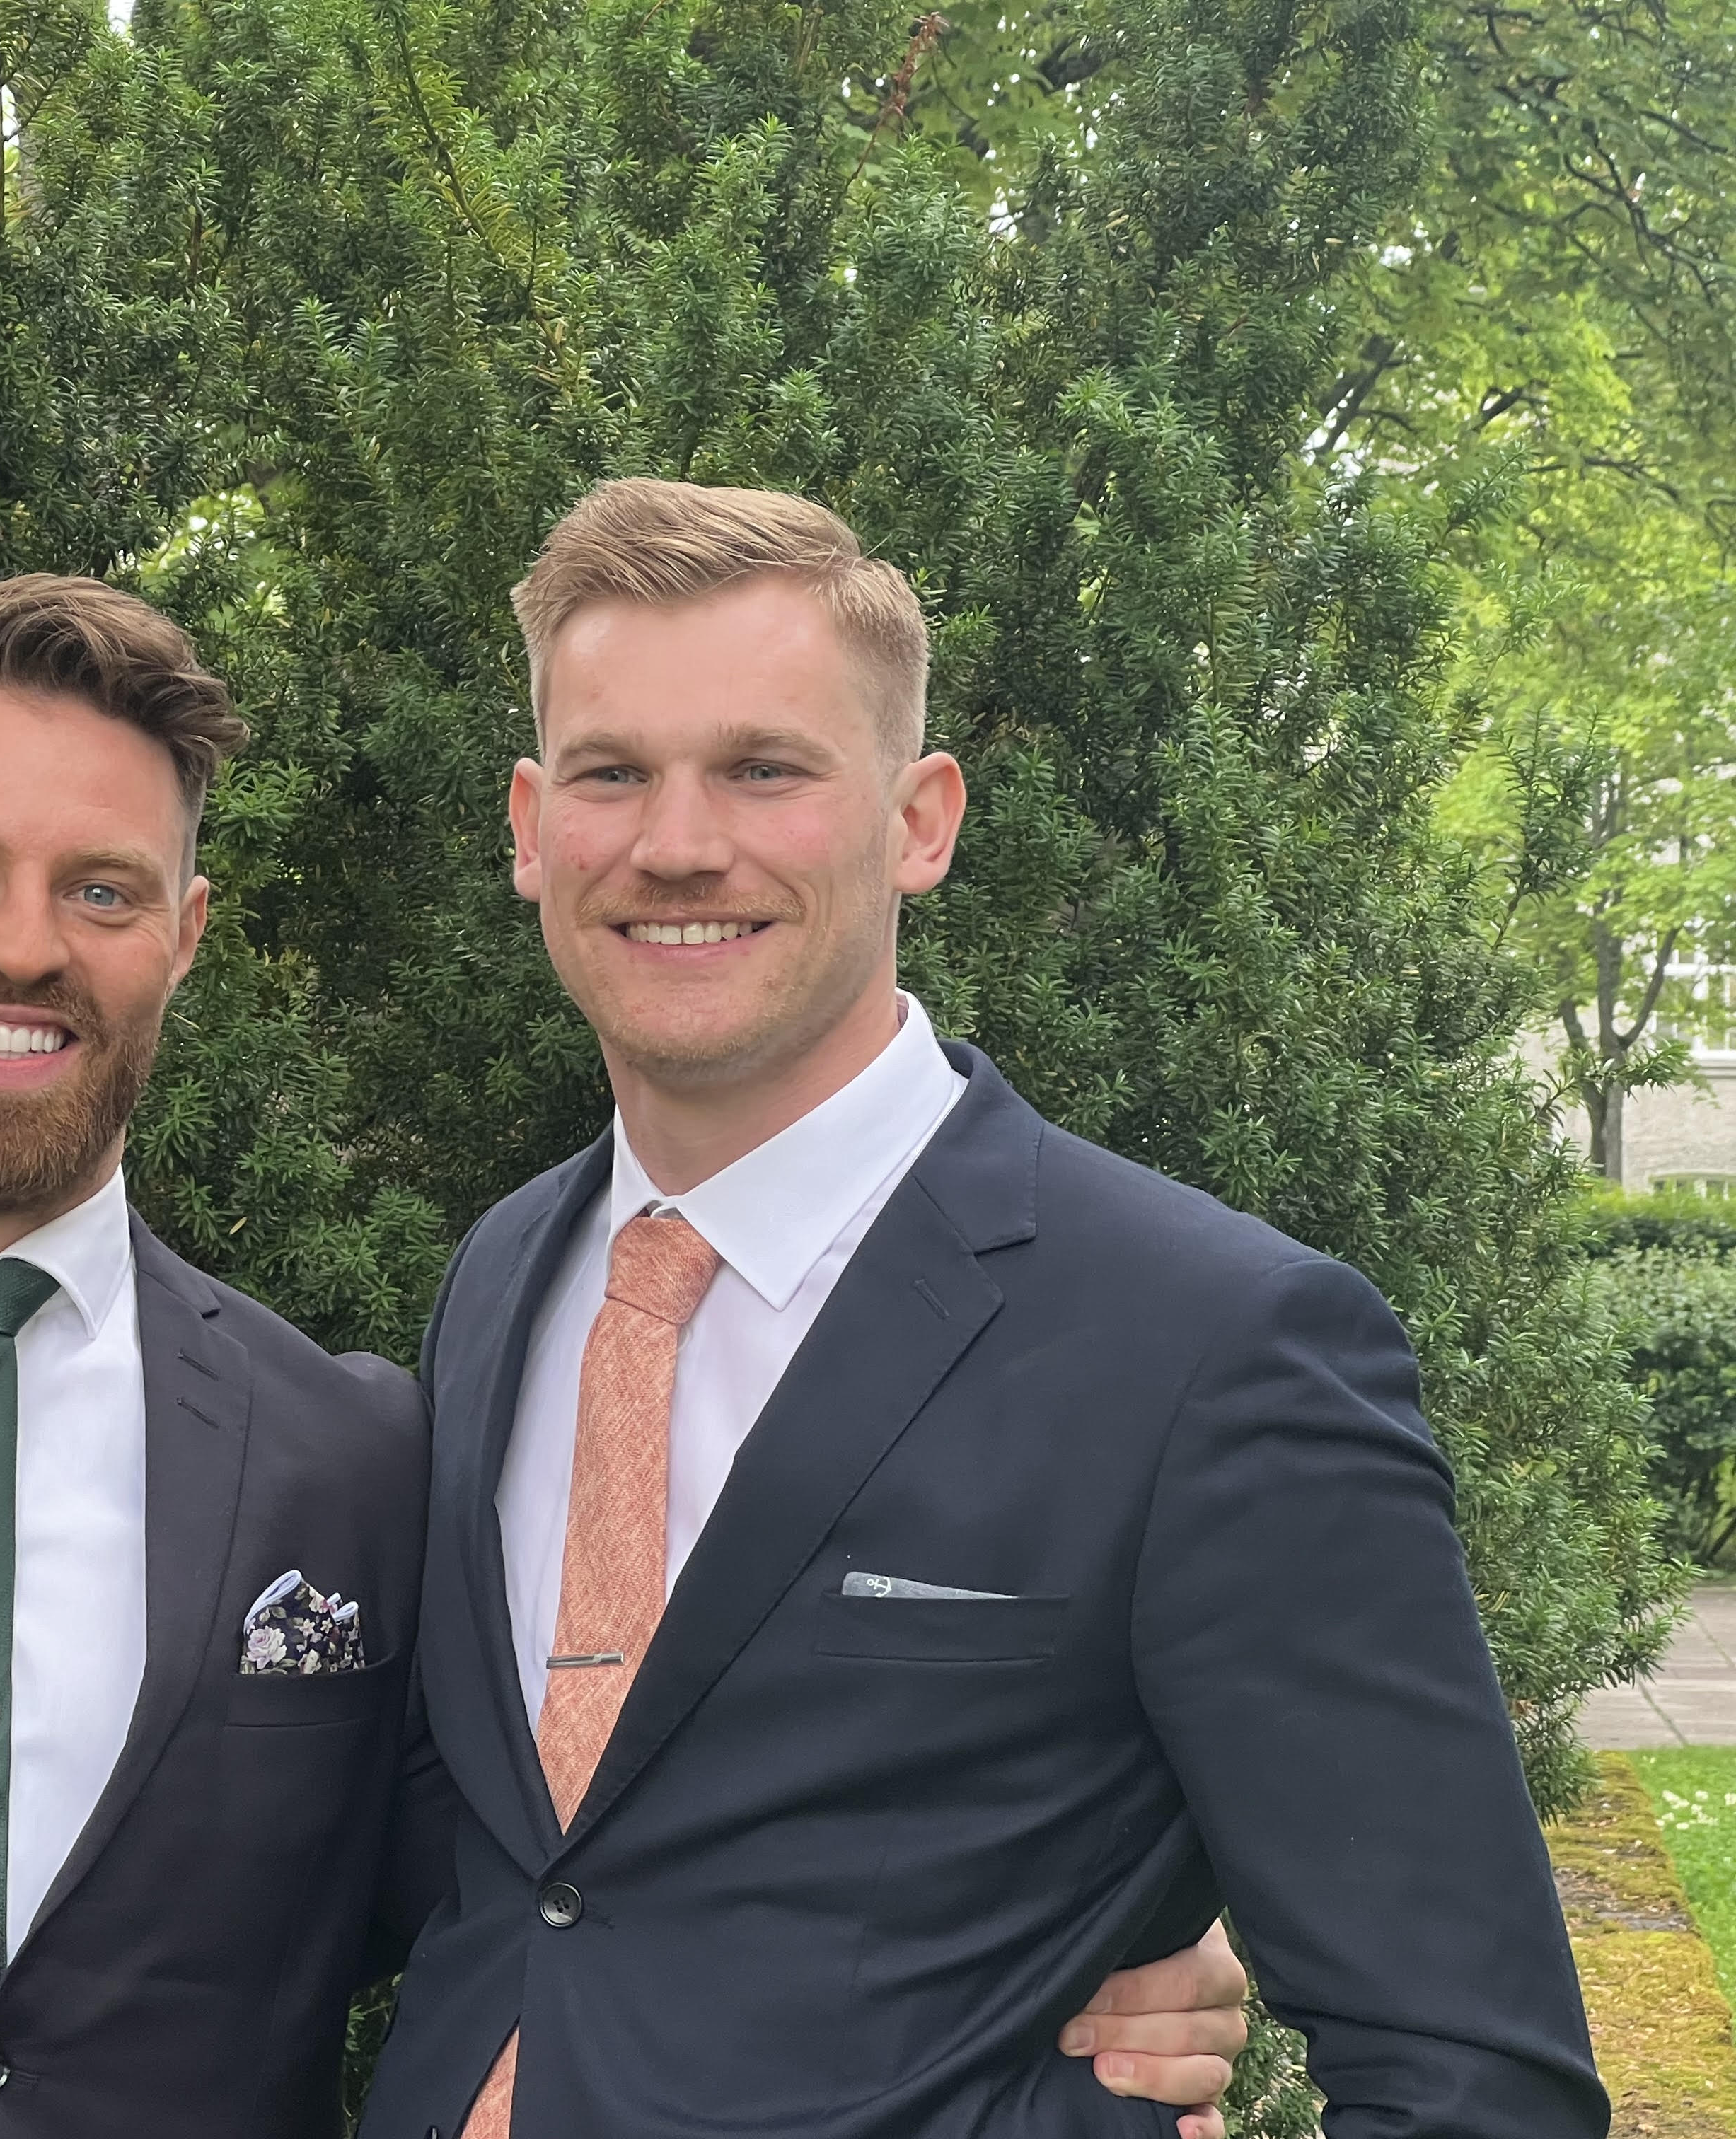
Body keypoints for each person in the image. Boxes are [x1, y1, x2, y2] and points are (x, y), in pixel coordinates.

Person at [0, 565, 1249, 2138]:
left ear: (184, 936)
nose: (23, 946)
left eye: (100, 889)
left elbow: (571, 1885)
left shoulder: (350, 1457)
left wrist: (1076, 1938)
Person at [357, 479, 1609, 2139]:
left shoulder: (1211, 1346)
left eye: (765, 768)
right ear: (531, 827)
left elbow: (1471, 2075)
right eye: (611, 774)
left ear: (920, 821)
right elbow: (521, 1867)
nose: (677, 844)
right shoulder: (506, 1275)